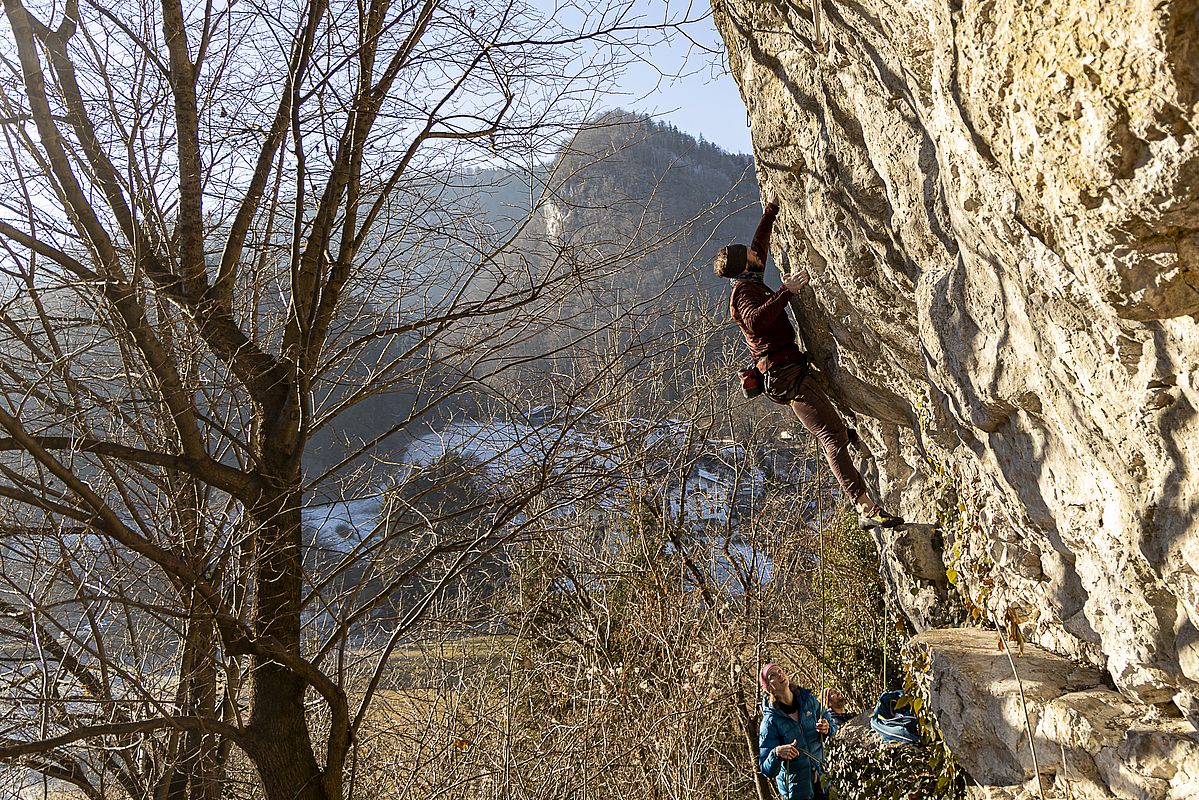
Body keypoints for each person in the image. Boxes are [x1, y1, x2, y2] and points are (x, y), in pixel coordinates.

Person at [714, 192, 902, 530]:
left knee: (836, 430)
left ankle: (857, 446)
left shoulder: (751, 277)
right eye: (750, 256)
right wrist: (786, 292)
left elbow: (760, 244)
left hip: (788, 370)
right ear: (744, 266)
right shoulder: (743, 292)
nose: (757, 255)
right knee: (830, 436)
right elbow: (756, 321)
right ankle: (863, 506)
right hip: (784, 377)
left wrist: (771, 208)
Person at [758, 663, 837, 800]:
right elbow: (766, 769)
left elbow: (834, 728)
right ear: (769, 687)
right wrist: (777, 753)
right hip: (797, 792)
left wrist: (827, 728)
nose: (779, 674)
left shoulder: (808, 701)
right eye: (773, 675)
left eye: (780, 670)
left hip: (825, 783)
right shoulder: (770, 721)